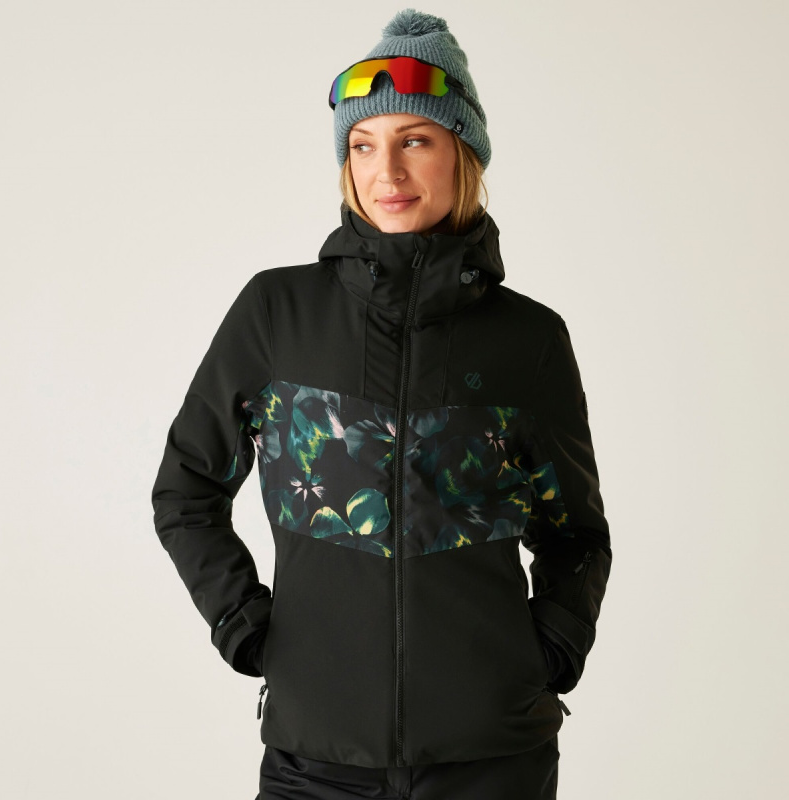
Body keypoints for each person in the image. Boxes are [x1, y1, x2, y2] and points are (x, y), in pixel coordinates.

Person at [151, 9, 612, 799]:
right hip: (315, 761)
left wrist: (550, 653)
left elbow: (575, 535)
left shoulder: (529, 339)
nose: (386, 171)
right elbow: (186, 489)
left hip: (493, 761)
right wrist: (243, 624)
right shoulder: (277, 313)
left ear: (463, 152)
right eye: (363, 145)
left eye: (415, 141)